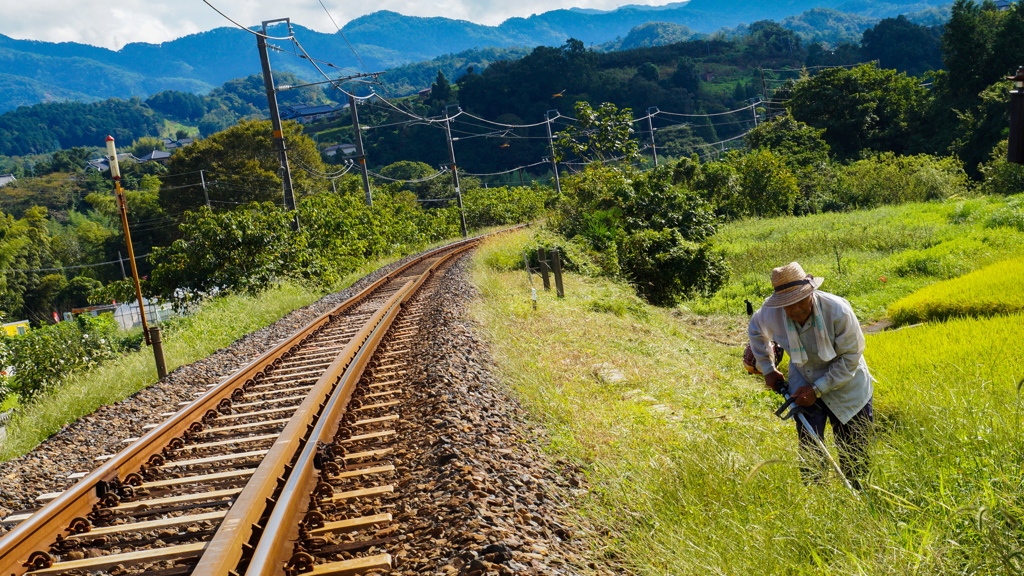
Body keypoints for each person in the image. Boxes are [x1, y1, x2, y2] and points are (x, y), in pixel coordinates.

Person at [747, 262, 874, 488]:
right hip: (803, 378)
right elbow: (755, 331)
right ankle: (815, 498)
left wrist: (818, 389)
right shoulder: (769, 313)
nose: (795, 309)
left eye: (800, 301)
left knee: (855, 449)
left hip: (847, 382)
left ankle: (861, 495)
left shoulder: (837, 310)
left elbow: (850, 357)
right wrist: (768, 368)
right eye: (788, 305)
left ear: (811, 292)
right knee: (810, 446)